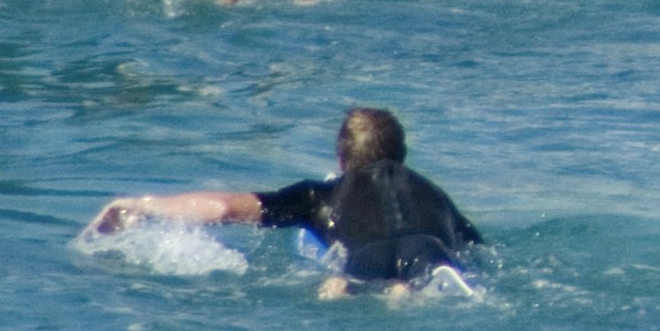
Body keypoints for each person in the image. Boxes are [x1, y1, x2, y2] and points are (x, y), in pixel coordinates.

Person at [86, 105, 486, 298]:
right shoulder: (434, 193)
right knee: (414, 288)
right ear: (402, 156)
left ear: (341, 159)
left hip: (366, 255)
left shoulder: (319, 196)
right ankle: (404, 293)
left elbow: (225, 207)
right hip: (431, 252)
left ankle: (351, 289)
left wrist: (142, 205)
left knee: (342, 287)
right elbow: (479, 247)